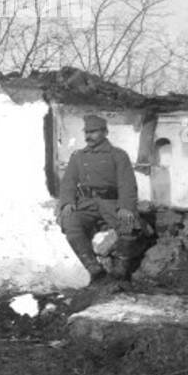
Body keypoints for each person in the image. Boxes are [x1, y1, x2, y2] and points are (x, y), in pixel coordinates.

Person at [57, 114, 140, 284]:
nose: (88, 136)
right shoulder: (78, 156)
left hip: (111, 202)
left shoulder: (118, 155)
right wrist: (67, 203)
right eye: (87, 132)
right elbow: (68, 183)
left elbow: (127, 184)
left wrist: (126, 206)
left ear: (105, 132)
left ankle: (120, 271)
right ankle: (94, 268)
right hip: (86, 204)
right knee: (70, 222)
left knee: (129, 225)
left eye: (93, 132)